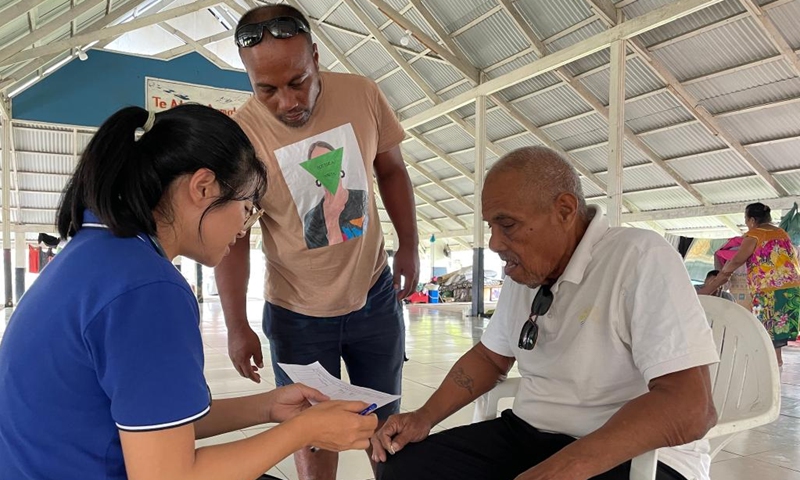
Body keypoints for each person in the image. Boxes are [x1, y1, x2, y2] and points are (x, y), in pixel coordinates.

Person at [0, 105, 378, 480]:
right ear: (202, 187)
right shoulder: (148, 289)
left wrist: (267, 407)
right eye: (246, 208)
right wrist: (306, 431)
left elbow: (156, 422)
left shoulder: (99, 251)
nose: (244, 228)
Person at [371, 146, 719, 480]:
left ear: (565, 211)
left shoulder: (639, 257)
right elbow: (491, 359)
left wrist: (569, 466)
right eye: (491, 225)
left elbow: (691, 407)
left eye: (507, 224)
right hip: (529, 434)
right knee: (404, 468)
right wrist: (424, 417)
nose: (493, 242)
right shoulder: (525, 272)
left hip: (632, 454)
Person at [214, 4, 419, 479]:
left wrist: (408, 244)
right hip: (297, 314)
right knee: (310, 431)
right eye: (266, 89)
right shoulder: (241, 136)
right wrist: (236, 324)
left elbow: (391, 169)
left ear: (316, 57)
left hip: (374, 298)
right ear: (248, 78)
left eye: (298, 81)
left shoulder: (362, 94)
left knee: (385, 427)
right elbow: (236, 239)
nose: (287, 102)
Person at [701, 202, 800, 367]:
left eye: (746, 221)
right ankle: (777, 361)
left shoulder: (755, 235)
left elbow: (737, 260)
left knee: (764, 326)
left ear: (752, 220)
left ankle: (770, 363)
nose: (747, 225)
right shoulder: (782, 233)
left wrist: (712, 285)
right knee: (776, 330)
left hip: (769, 289)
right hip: (791, 288)